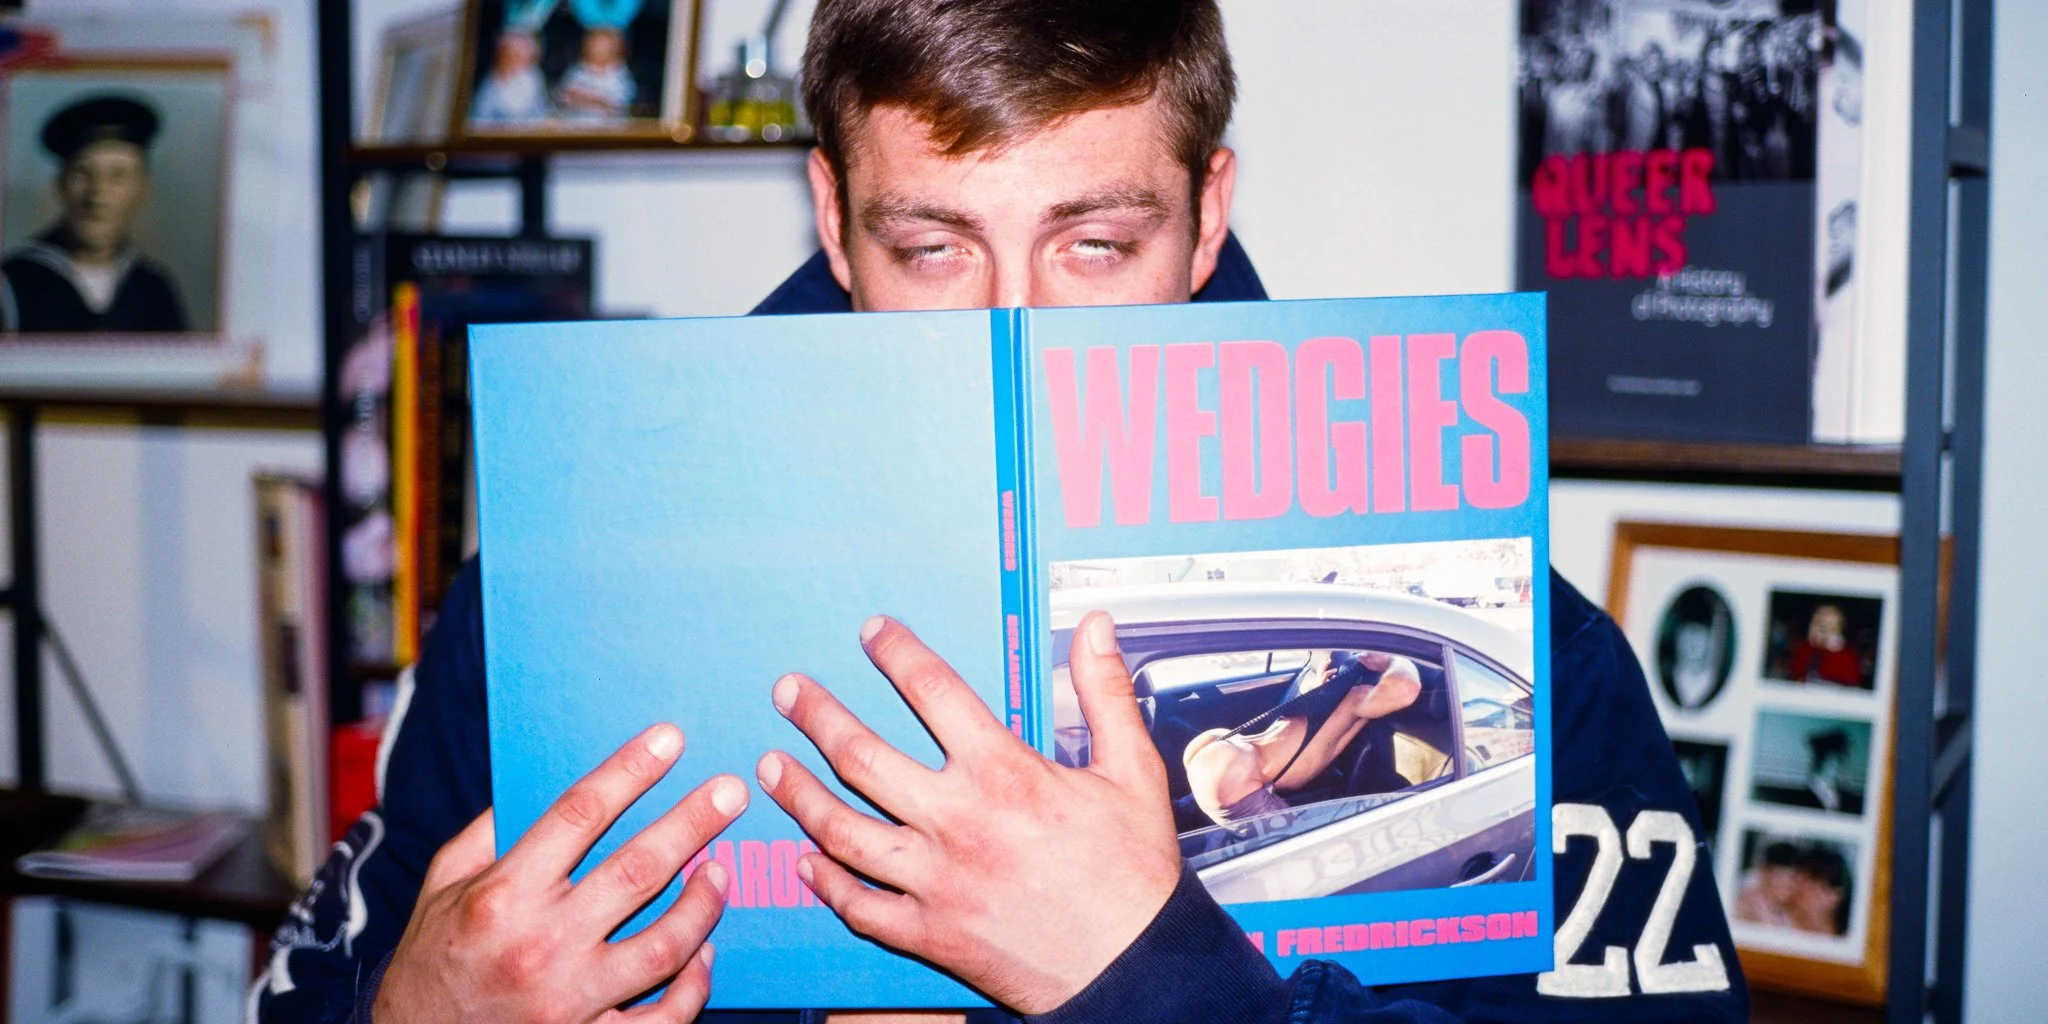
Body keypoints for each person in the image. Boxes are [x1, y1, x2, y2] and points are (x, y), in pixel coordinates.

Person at [253, 2, 1749, 1022]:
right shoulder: (558, 586)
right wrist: (411, 1009)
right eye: (936, 246)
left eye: (1096, 244)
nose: (1016, 330)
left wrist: (1151, 975)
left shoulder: (1505, 630)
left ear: (1207, 211)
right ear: (834, 218)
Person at [2, 95, 188, 334]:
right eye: (83, 173)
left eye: (118, 177)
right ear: (61, 184)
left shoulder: (154, 289)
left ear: (142, 189)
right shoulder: (13, 284)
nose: (97, 194)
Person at [1181, 651, 1421, 827]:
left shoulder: (1329, 698)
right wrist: (1393, 660)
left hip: (1217, 746)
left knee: (1184, 817)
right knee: (1295, 843)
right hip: (1232, 774)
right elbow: (1407, 688)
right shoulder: (1356, 699)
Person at [554, 26, 636, 122]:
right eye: (596, 44)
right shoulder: (576, 72)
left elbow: (616, 106)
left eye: (605, 46)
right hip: (576, 130)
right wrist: (597, 100)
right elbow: (565, 99)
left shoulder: (622, 76)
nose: (599, 49)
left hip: (611, 132)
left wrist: (584, 98)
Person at [470, 30, 550, 125]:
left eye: (524, 55)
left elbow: (541, 112)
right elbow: (478, 125)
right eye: (515, 54)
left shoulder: (532, 75)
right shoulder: (489, 89)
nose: (520, 60)